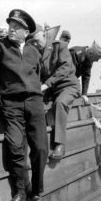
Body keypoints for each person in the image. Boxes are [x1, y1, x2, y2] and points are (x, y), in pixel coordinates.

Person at [0, 9, 48, 201]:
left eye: (17, 27)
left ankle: (36, 189)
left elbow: (40, 76)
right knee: (15, 146)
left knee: (40, 148)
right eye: (10, 25)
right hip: (11, 104)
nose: (11, 29)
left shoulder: (33, 51)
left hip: (35, 103)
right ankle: (20, 192)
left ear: (26, 32)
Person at [28, 23, 80, 160]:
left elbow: (65, 68)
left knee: (60, 103)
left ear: (44, 35)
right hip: (52, 90)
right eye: (32, 41)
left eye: (36, 40)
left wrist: (46, 85)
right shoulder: (36, 53)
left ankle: (60, 144)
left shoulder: (60, 46)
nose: (35, 44)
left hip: (68, 86)